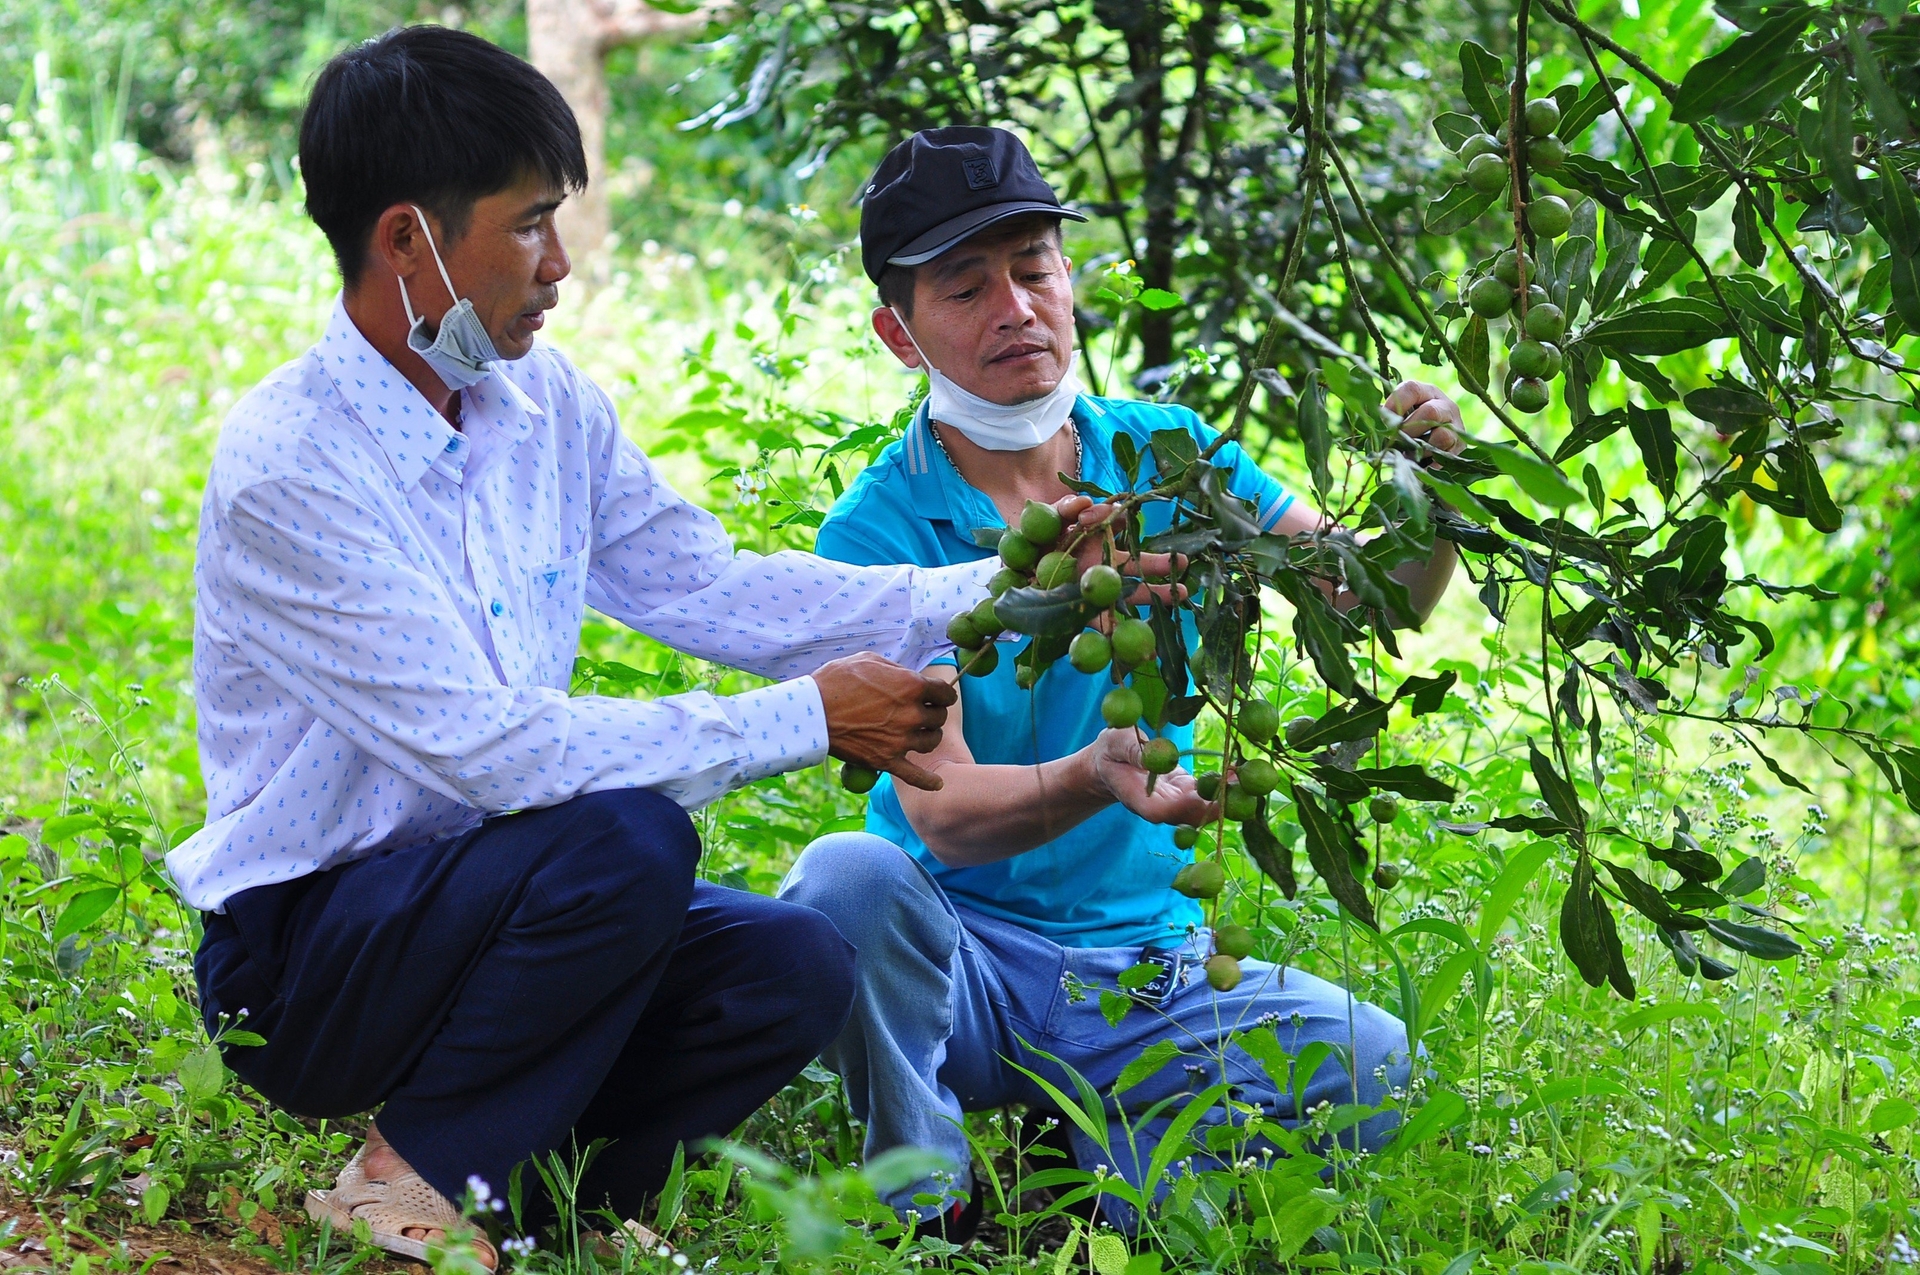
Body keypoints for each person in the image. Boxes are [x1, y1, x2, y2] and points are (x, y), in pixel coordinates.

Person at [166, 40, 1109, 1269]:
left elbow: (712, 588)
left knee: (793, 962)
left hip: (492, 904)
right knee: (627, 839)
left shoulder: (544, 406)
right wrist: (808, 720)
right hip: (308, 961)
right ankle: (404, 1179)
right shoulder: (291, 469)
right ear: (407, 242)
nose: (559, 267)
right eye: (530, 228)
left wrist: (1006, 583)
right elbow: (490, 754)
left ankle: (539, 1206)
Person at [779, 127, 1466, 1236]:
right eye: (966, 287)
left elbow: (1371, 599)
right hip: (967, 970)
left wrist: (1426, 490)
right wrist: (1096, 773)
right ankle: (924, 1197)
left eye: (1036, 269)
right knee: (843, 883)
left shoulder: (1166, 456)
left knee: (1377, 1067)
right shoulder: (877, 533)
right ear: (897, 336)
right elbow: (943, 821)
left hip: (1146, 968)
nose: (1017, 308)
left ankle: (1093, 1180)